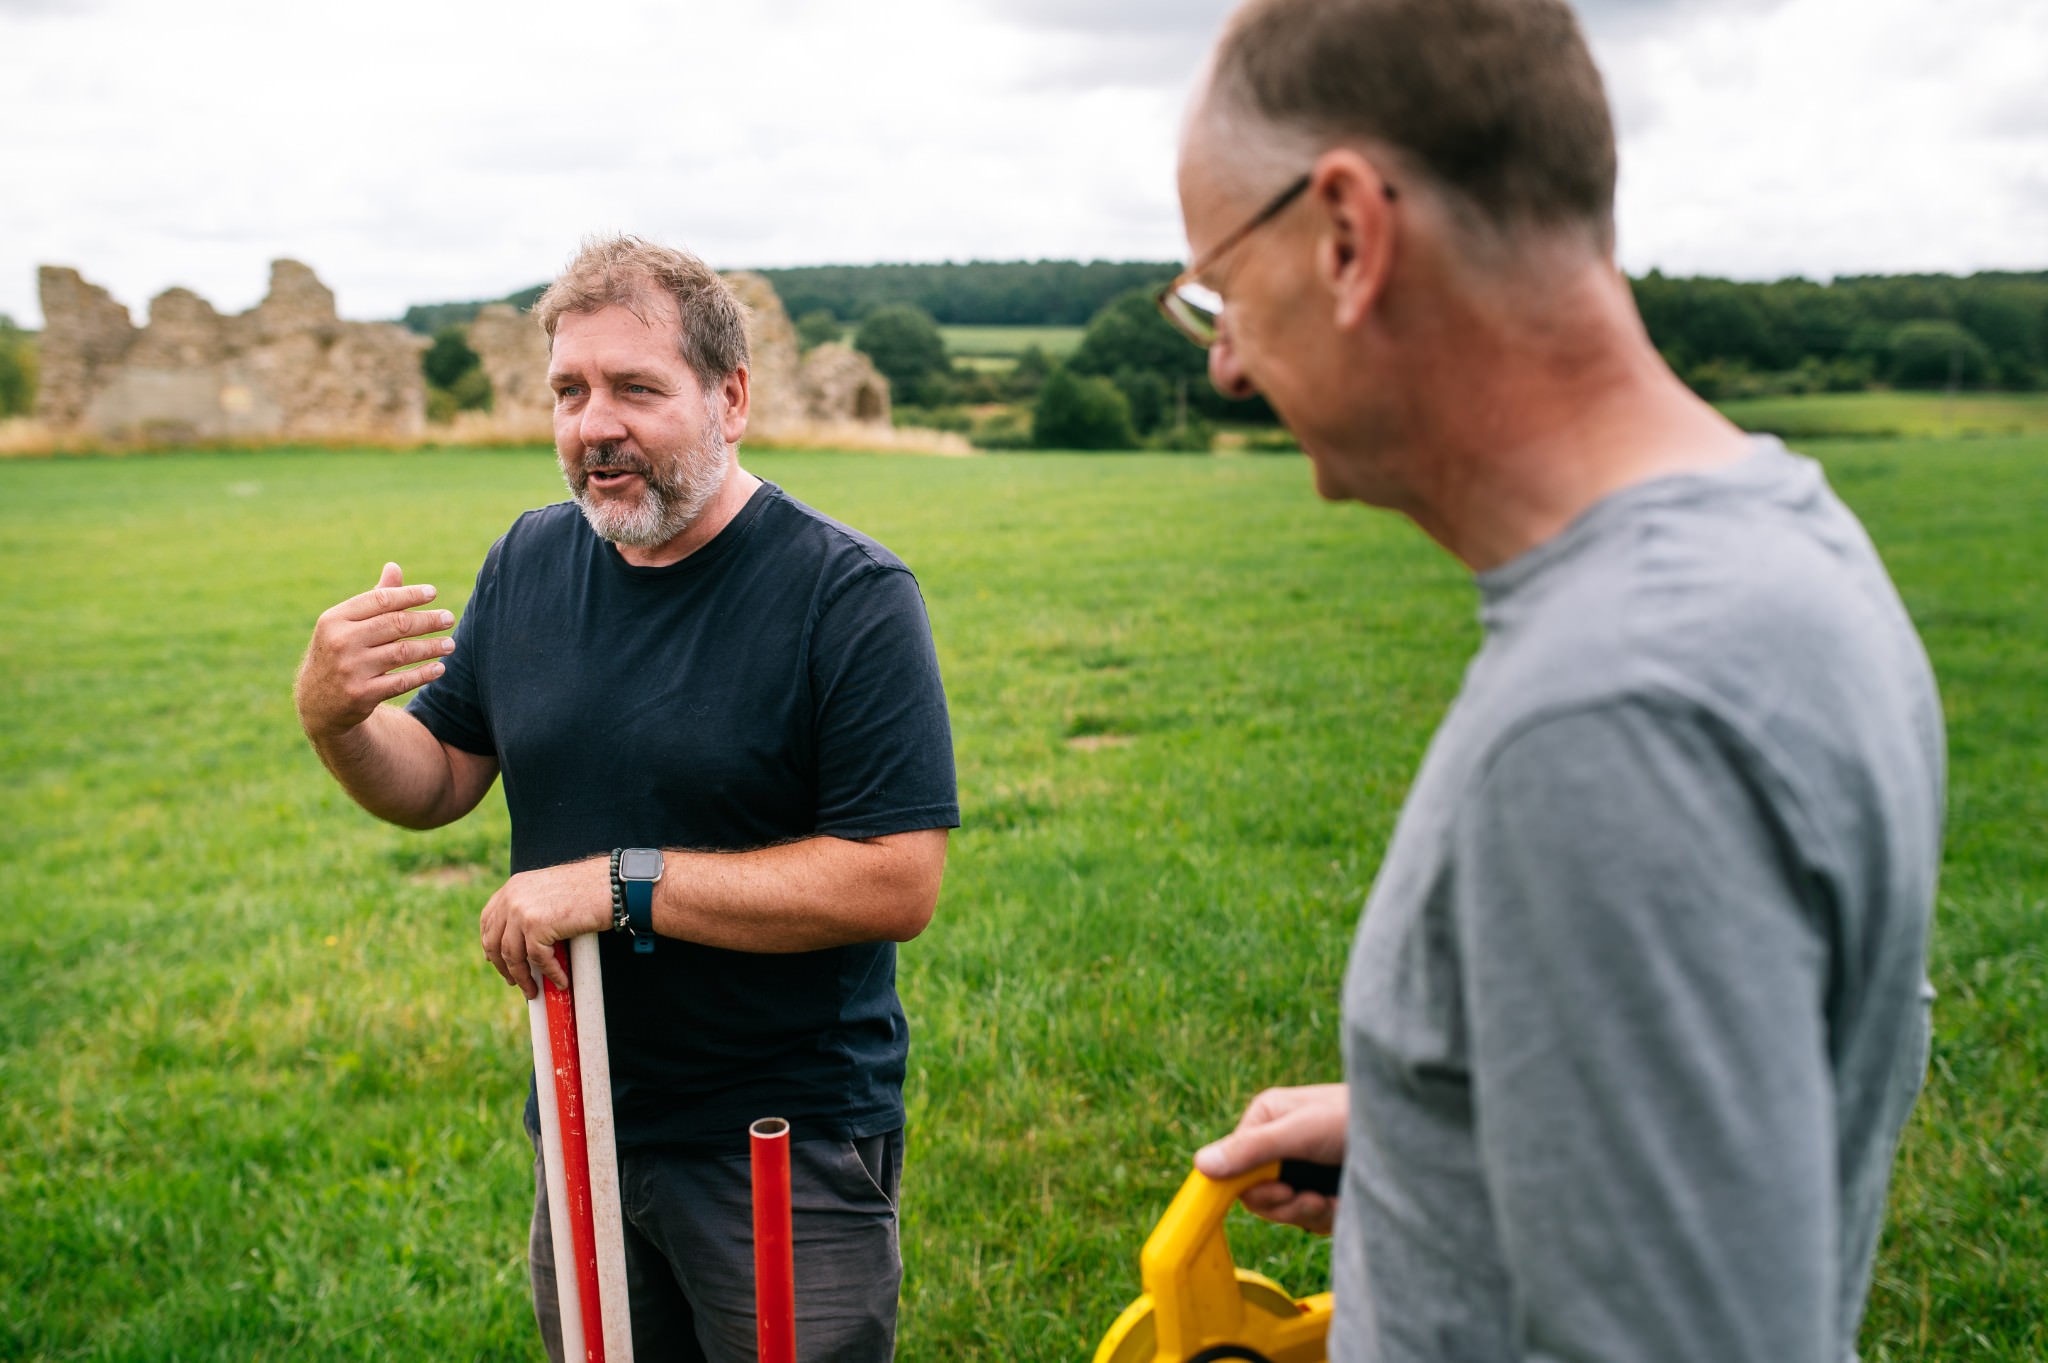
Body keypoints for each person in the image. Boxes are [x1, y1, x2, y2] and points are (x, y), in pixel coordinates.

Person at [1166, 2, 1944, 1360]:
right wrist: (1443, 1126)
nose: (1226, 359)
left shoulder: (1613, 715)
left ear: (1347, 234)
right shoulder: (1781, 547)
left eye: (1221, 291)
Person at [292, 236, 957, 1363]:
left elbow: (896, 877)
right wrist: (336, 720)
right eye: (568, 391)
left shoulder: (846, 594)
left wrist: (617, 886)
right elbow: (438, 779)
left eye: (635, 388)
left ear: (729, 397)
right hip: (582, 1114)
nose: (592, 424)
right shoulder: (532, 558)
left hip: (778, 1144)